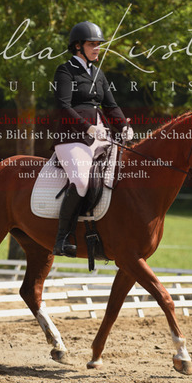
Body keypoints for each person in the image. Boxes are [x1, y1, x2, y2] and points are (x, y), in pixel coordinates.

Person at [52, 21, 133, 257]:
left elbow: (111, 105)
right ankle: (62, 237)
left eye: (99, 44)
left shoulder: (98, 74)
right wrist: (87, 128)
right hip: (72, 138)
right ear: (78, 46)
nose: (97, 48)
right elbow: (63, 107)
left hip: (101, 135)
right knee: (81, 180)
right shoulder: (65, 71)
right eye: (92, 44)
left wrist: (124, 126)